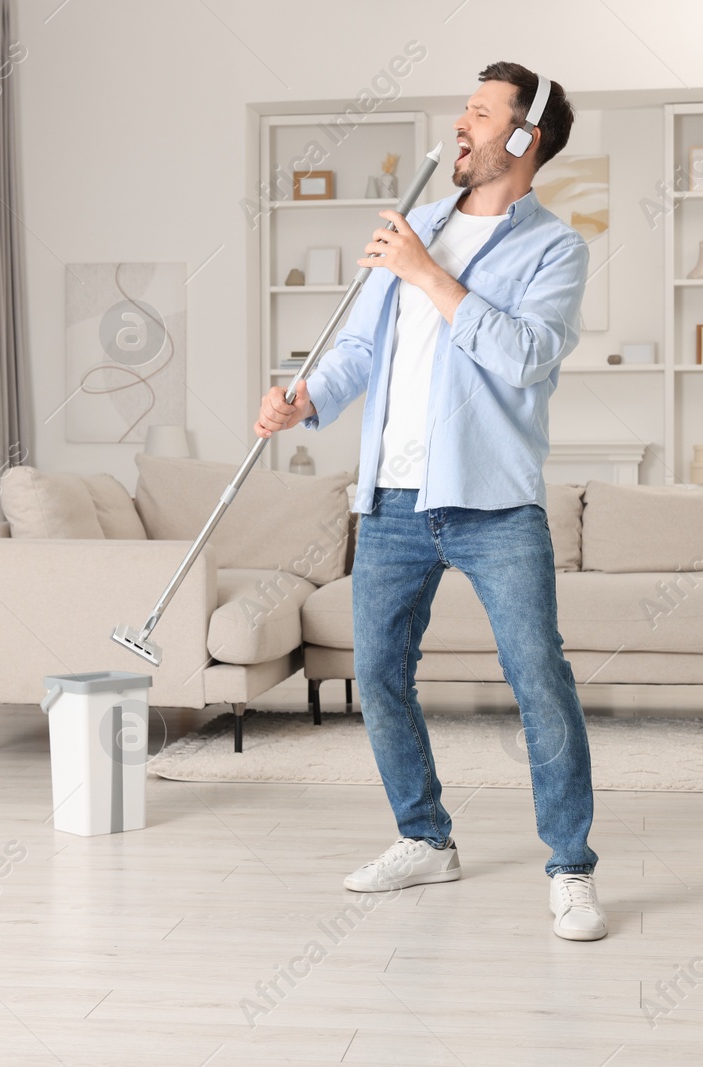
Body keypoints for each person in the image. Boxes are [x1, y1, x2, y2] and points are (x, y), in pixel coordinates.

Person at [254, 62, 603, 942]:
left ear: (523, 139)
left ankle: (570, 867)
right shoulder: (414, 228)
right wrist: (307, 400)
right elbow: (360, 350)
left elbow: (526, 354)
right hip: (393, 503)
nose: (461, 124)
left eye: (480, 114)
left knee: (540, 682)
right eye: (464, 108)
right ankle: (424, 835)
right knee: (377, 672)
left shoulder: (555, 249)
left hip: (493, 503)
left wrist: (429, 273)